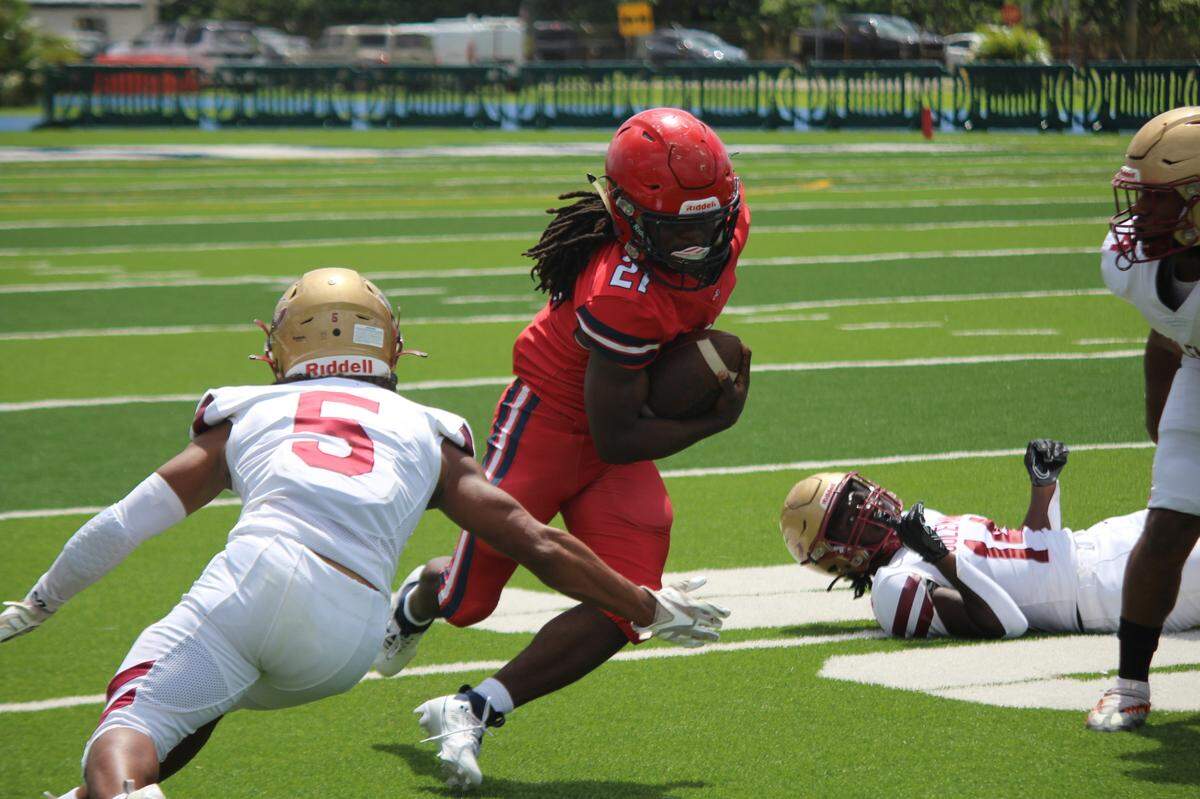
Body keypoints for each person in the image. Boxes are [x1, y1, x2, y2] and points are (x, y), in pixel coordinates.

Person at [0, 268, 728, 799]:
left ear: (280, 347)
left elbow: (124, 521)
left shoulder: (246, 411)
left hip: (259, 580)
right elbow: (535, 540)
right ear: (392, 347)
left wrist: (38, 603)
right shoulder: (429, 431)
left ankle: (118, 788)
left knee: (130, 717)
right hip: (347, 642)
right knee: (198, 699)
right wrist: (644, 603)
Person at [374, 108, 752, 789]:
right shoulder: (618, 290)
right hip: (550, 420)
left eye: (709, 221)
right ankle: (421, 594)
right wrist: (712, 422)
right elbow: (618, 433)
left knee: (630, 599)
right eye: (678, 229)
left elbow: (626, 421)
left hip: (617, 422)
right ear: (630, 217)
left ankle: (475, 706)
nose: (700, 242)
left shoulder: (725, 221)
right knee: (468, 600)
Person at [779, 440, 1200, 642]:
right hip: (1104, 592)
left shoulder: (920, 527)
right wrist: (941, 558)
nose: (866, 506)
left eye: (857, 494)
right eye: (847, 515)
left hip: (1101, 540)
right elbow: (1007, 623)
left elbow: (1034, 553)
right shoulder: (892, 590)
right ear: (839, 556)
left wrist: (1043, 487)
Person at [1086, 106, 1200, 732]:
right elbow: (1168, 334)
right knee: (1166, 527)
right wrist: (1164, 416)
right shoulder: (1129, 264)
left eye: (1160, 200)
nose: (1141, 214)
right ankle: (1131, 686)